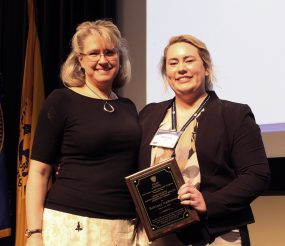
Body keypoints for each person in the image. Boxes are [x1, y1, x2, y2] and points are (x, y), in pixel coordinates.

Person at [137, 34, 270, 245]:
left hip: (217, 233)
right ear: (166, 73)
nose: (181, 68)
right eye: (173, 63)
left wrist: (208, 202)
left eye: (189, 60)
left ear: (206, 68)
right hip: (162, 237)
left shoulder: (234, 115)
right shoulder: (148, 115)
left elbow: (256, 176)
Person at [25, 20, 142, 246]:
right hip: (71, 223)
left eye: (109, 52)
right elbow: (39, 172)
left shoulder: (128, 106)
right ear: (80, 59)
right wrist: (34, 233)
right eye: (94, 53)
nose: (102, 60)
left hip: (123, 226)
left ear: (119, 57)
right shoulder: (62, 101)